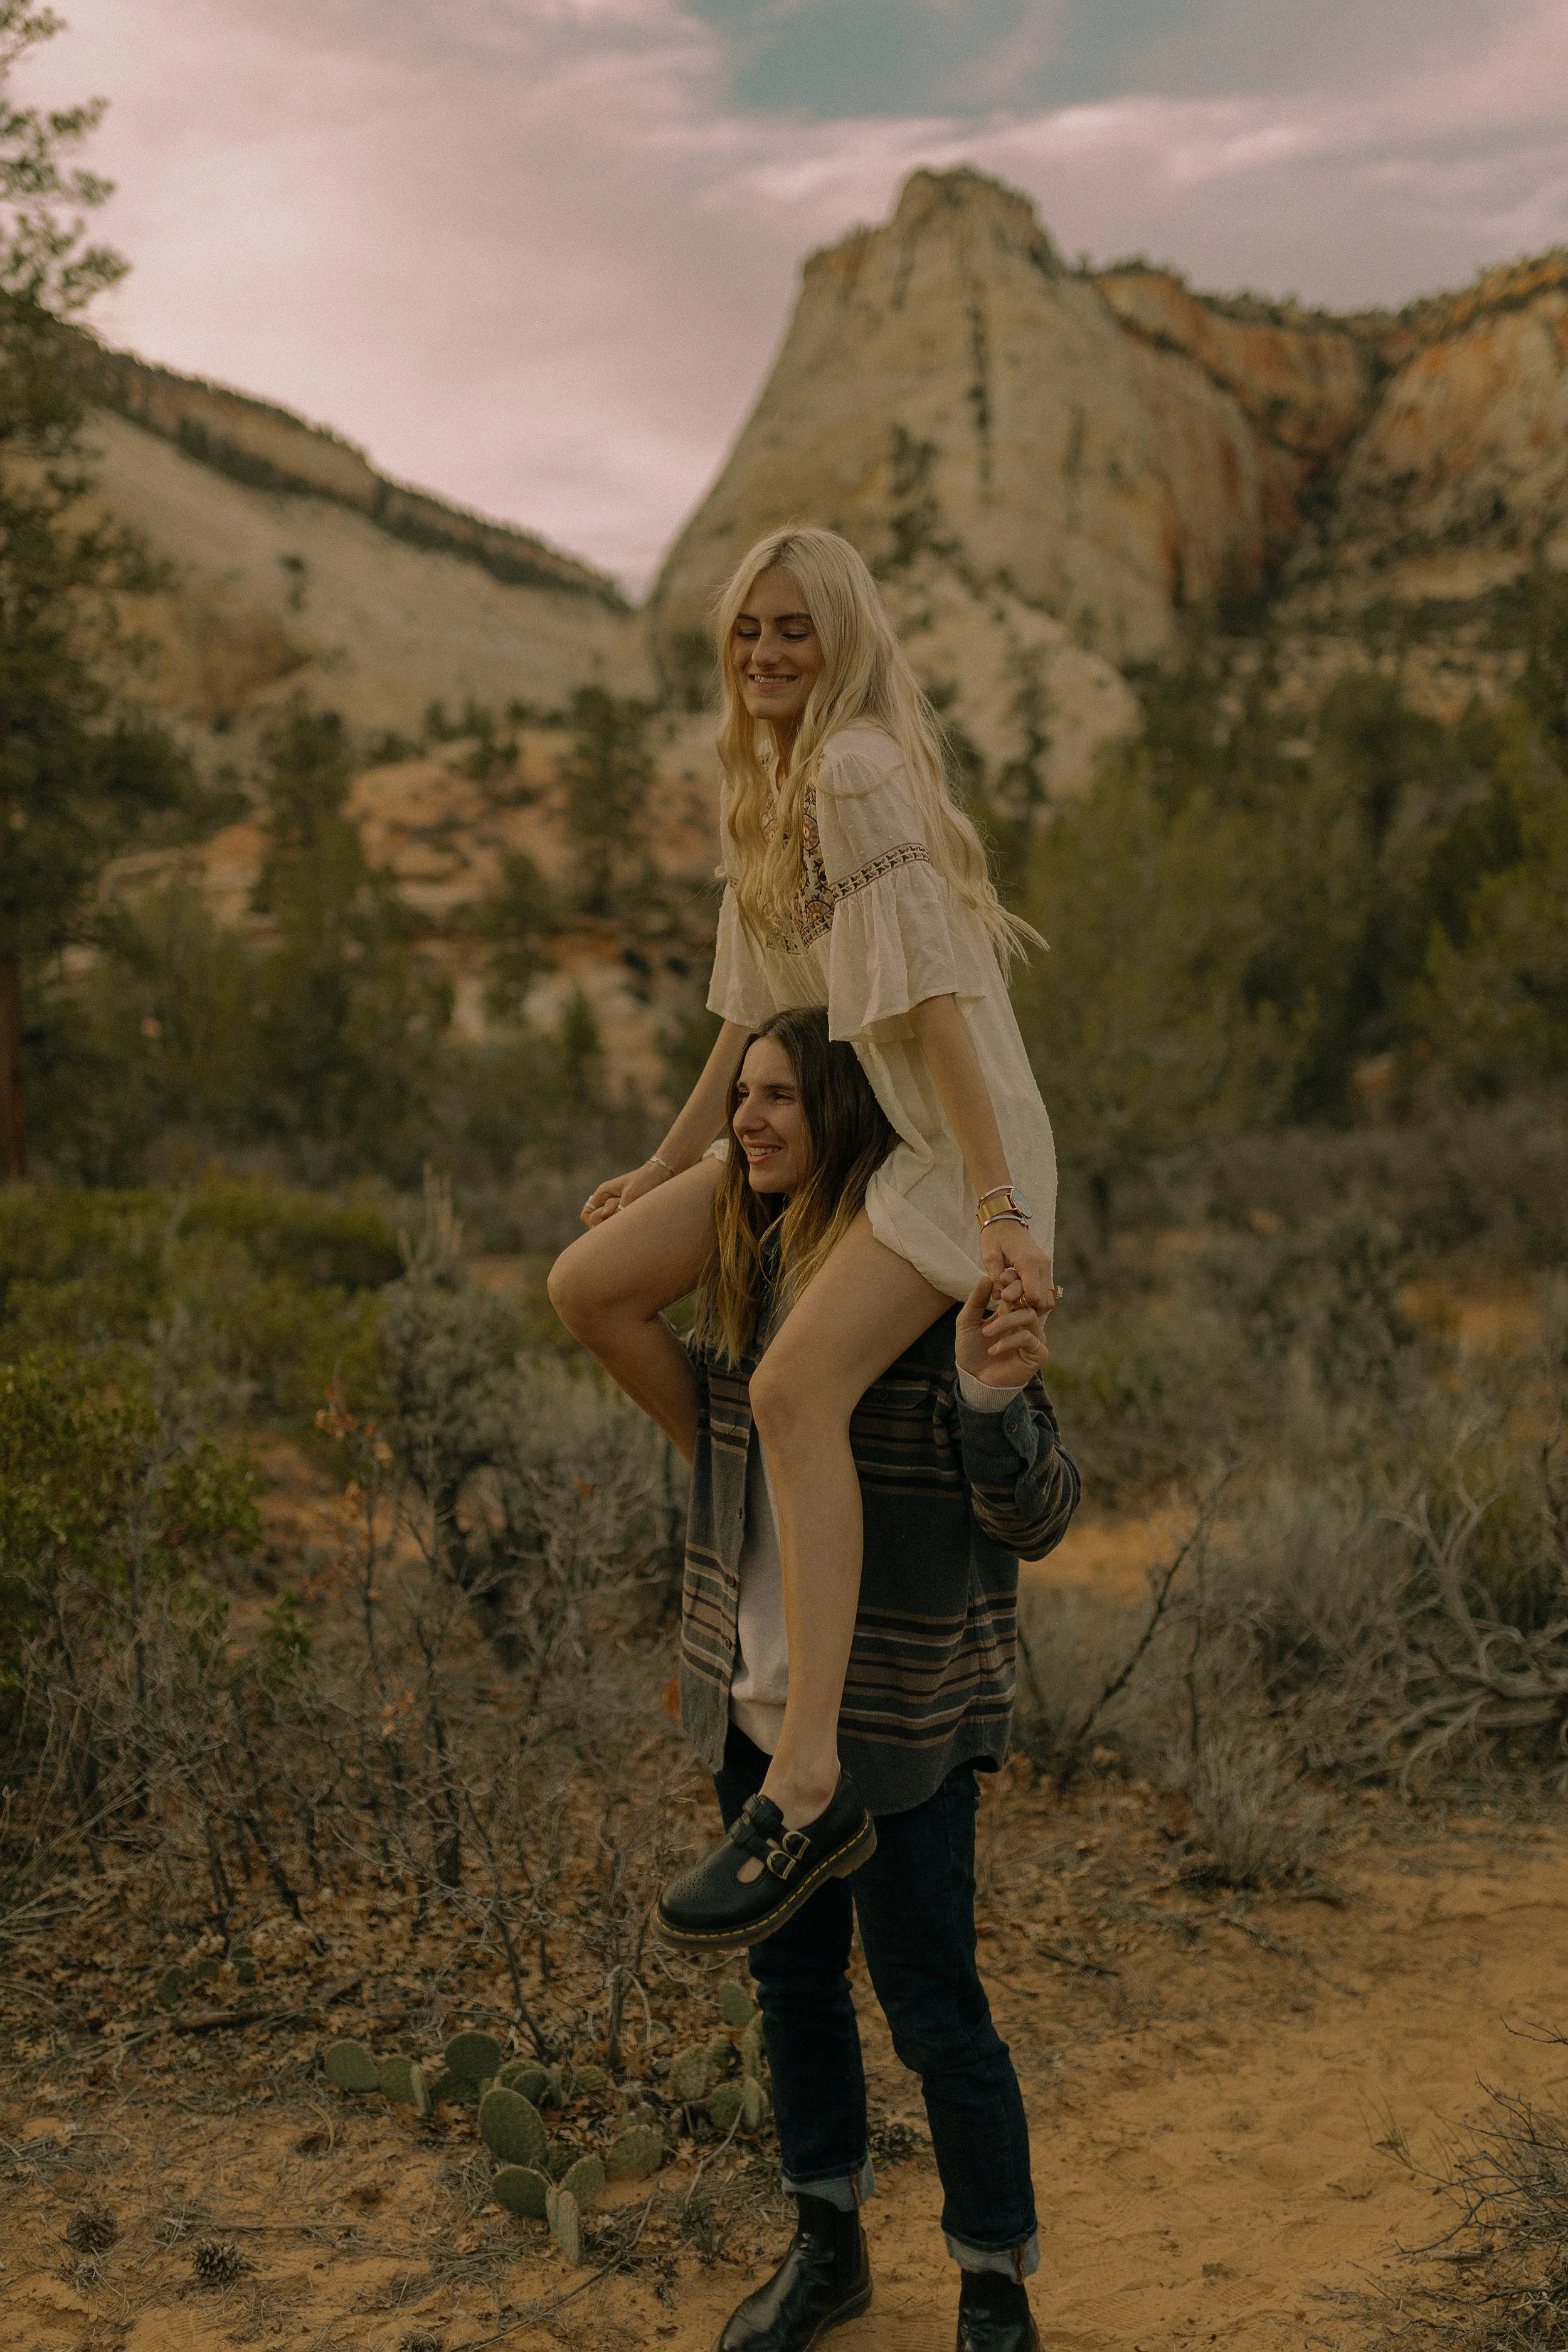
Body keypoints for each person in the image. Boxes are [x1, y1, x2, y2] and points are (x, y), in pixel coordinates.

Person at [548, 524, 1059, 1950]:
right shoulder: (767, 787)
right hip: (834, 1120)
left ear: (840, 643)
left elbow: (945, 1009)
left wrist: (1005, 1205)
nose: (767, 654)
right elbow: (747, 1015)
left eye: (795, 630)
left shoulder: (855, 770)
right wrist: (663, 1163)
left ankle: (811, 1778)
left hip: (945, 1154)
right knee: (593, 1285)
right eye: (748, 631)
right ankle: (778, 1516)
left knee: (789, 1386)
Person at [575, 1007, 1079, 2352]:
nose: (751, 1120)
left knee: (931, 2007)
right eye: (742, 1095)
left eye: (783, 1098)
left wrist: (982, 1402)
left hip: (898, 1720)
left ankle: (990, 2285)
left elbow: (1038, 1516)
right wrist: (680, 1164)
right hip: (757, 1703)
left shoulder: (916, 1280)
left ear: (849, 1114)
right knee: (792, 1993)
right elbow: (598, 1295)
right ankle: (827, 2248)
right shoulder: (750, 1279)